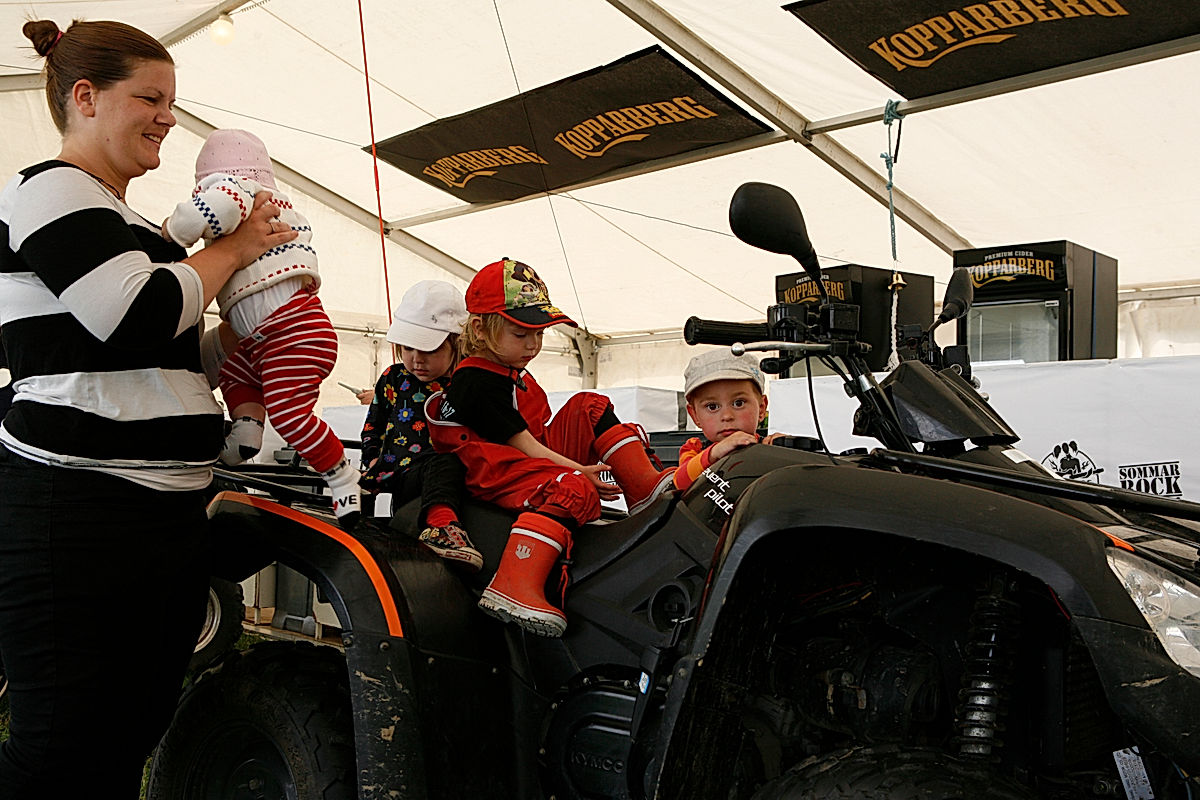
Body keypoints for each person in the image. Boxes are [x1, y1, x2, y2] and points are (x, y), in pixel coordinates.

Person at [0, 19, 295, 798]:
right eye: (152, 98)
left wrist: (242, 332)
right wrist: (240, 249)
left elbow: (156, 360)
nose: (169, 116)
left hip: (160, 517)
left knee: (129, 730)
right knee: (60, 745)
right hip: (76, 508)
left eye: (174, 101)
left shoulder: (137, 227)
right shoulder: (49, 188)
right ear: (86, 98)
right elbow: (127, 316)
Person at [427, 258, 674, 637]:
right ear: (479, 328)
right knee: (573, 487)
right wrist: (582, 471)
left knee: (589, 405)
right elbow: (525, 445)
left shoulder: (508, 371)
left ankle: (643, 491)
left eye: (539, 334)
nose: (533, 345)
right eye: (521, 334)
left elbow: (535, 436)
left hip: (527, 453)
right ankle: (514, 581)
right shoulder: (475, 381)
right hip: (498, 469)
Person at [163, 128, 361, 527]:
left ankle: (341, 475)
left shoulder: (237, 191)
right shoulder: (282, 209)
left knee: (290, 416)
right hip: (264, 339)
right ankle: (246, 437)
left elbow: (211, 210)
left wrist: (174, 230)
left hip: (293, 331)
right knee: (236, 373)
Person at [360, 280, 481, 570]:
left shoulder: (467, 383)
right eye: (408, 348)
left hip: (445, 474)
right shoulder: (392, 377)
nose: (416, 359)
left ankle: (443, 527)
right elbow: (373, 424)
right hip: (397, 472)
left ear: (456, 343)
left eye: (430, 350)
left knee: (446, 459)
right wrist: (372, 458)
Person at [672, 349, 774, 491]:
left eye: (738, 403)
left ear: (762, 408)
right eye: (712, 406)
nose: (726, 416)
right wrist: (715, 452)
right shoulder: (694, 449)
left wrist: (788, 451)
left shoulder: (770, 448)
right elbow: (680, 481)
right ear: (695, 415)